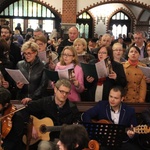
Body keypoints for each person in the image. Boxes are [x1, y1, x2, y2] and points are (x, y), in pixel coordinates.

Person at [21, 79, 81, 150]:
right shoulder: (45, 102)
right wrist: (32, 126)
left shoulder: (72, 108)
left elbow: (77, 126)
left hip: (63, 141)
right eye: (62, 91)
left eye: (67, 93)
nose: (64, 95)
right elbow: (25, 110)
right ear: (55, 89)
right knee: (43, 147)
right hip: (47, 140)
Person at [82, 86, 142, 150]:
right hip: (103, 142)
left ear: (122, 99)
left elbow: (135, 131)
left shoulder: (129, 111)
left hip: (121, 142)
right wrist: (95, 130)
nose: (112, 100)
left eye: (116, 98)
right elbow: (86, 115)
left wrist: (131, 135)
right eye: (110, 96)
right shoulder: (102, 105)